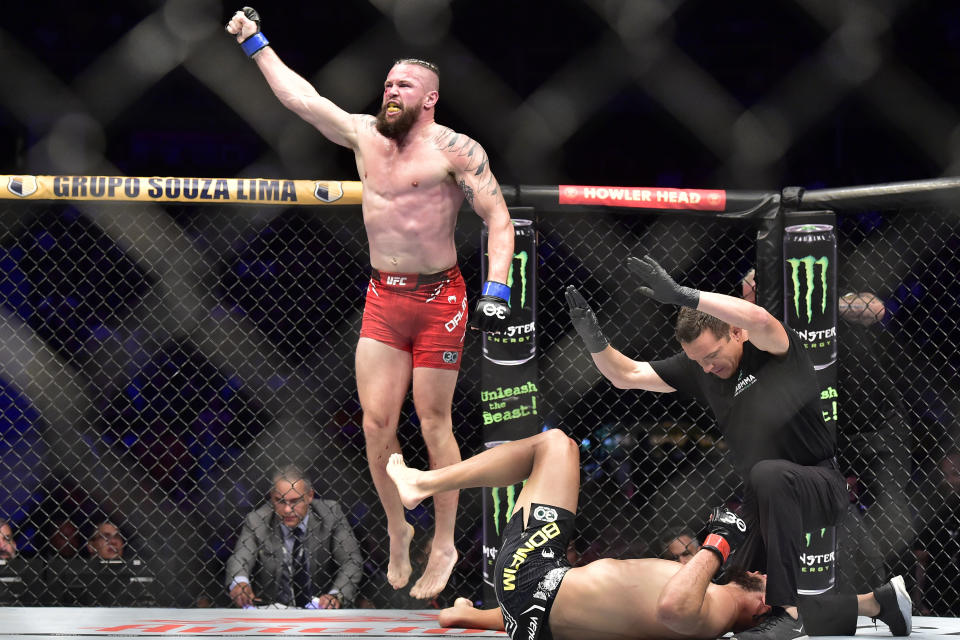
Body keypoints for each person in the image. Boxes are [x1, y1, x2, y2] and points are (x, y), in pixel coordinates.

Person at [225, 7, 515, 600]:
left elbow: (498, 218)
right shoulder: (363, 135)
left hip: (442, 297)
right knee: (375, 424)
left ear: (429, 99)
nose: (390, 91)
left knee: (435, 420)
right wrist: (255, 42)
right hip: (384, 296)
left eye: (403, 85)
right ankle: (397, 526)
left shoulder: (456, 149)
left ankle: (445, 541)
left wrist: (497, 289)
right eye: (386, 83)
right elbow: (302, 99)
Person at [386, 429, 911, 640]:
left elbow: (673, 608)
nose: (759, 570)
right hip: (534, 608)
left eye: (762, 577)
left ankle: (424, 483)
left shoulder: (720, 609)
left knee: (556, 446)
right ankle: (879, 603)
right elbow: (570, 616)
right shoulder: (728, 602)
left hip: (535, 577)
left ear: (758, 606)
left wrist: (718, 544)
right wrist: (871, 603)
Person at [566, 256, 849, 640]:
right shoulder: (700, 366)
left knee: (768, 475)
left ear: (736, 333)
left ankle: (789, 615)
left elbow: (762, 320)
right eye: (698, 361)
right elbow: (625, 374)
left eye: (712, 356)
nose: (707, 368)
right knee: (732, 591)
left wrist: (686, 296)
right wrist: (595, 341)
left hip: (819, 484)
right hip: (761, 501)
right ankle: (872, 605)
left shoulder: (772, 350)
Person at [225, 465, 363, 609]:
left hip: (319, 608)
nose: (287, 510)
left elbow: (351, 560)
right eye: (280, 500)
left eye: (295, 501)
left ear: (310, 496)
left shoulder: (330, 514)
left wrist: (336, 595)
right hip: (272, 610)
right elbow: (240, 557)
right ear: (272, 497)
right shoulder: (257, 520)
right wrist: (240, 583)